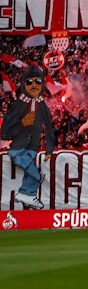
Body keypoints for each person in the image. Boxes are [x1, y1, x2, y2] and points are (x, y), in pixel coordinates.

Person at [1, 66, 56, 209]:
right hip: (17, 148)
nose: (34, 85)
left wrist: (50, 149)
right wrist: (22, 125)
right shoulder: (18, 105)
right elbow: (5, 132)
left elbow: (49, 127)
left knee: (28, 174)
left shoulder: (42, 105)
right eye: (30, 82)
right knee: (36, 174)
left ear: (42, 84)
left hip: (33, 147)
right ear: (24, 84)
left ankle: (26, 194)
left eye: (38, 81)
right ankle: (35, 181)